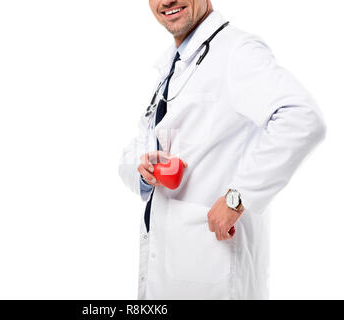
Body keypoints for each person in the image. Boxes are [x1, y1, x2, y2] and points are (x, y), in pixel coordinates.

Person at [118, 0, 326, 300]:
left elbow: (304, 118)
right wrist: (144, 170)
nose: (167, 1)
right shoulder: (171, 67)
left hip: (214, 270)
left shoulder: (237, 50)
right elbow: (137, 147)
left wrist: (237, 197)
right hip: (169, 267)